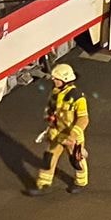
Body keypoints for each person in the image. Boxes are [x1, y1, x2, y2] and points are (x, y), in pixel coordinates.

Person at [35, 62, 89, 191]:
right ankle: (43, 183)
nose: (54, 80)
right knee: (49, 158)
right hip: (57, 133)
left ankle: (81, 182)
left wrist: (73, 135)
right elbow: (50, 108)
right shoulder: (55, 92)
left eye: (57, 79)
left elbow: (84, 119)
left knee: (76, 160)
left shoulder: (77, 97)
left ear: (65, 80)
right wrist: (49, 117)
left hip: (72, 137)